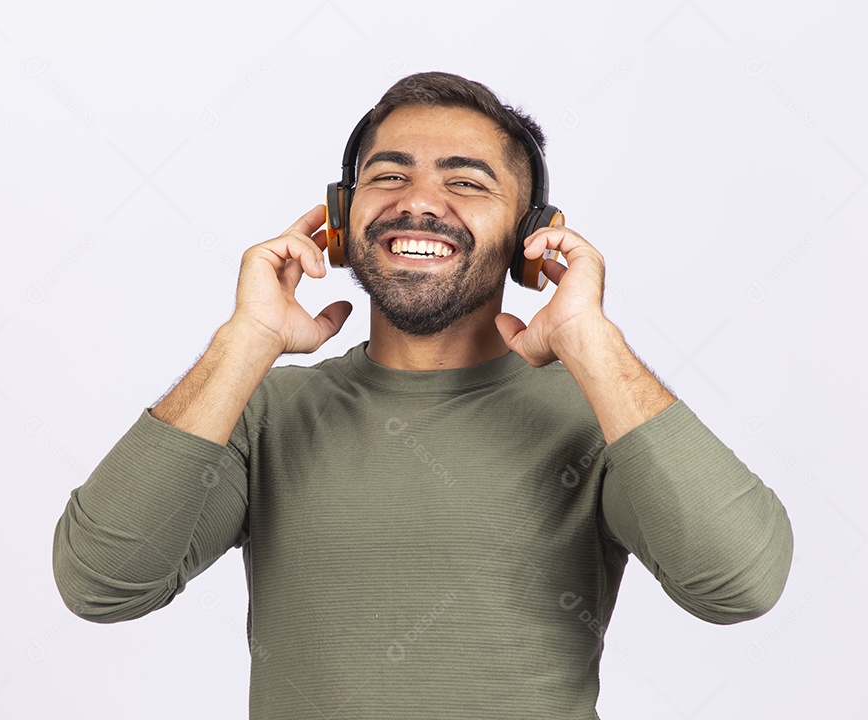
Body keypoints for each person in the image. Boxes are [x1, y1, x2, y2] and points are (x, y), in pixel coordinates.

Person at [52, 71, 793, 719]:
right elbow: (101, 584)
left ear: (532, 240)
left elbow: (739, 585)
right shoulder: (262, 411)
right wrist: (244, 341)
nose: (419, 203)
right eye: (389, 175)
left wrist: (592, 344)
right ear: (339, 223)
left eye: (467, 183)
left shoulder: (600, 413)